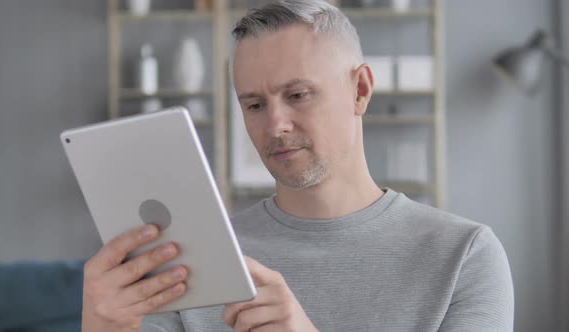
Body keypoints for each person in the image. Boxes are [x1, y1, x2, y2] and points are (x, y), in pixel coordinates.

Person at [81, 1, 514, 331]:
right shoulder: (192, 262)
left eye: (298, 95)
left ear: (360, 90)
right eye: (254, 104)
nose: (274, 124)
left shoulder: (464, 256)